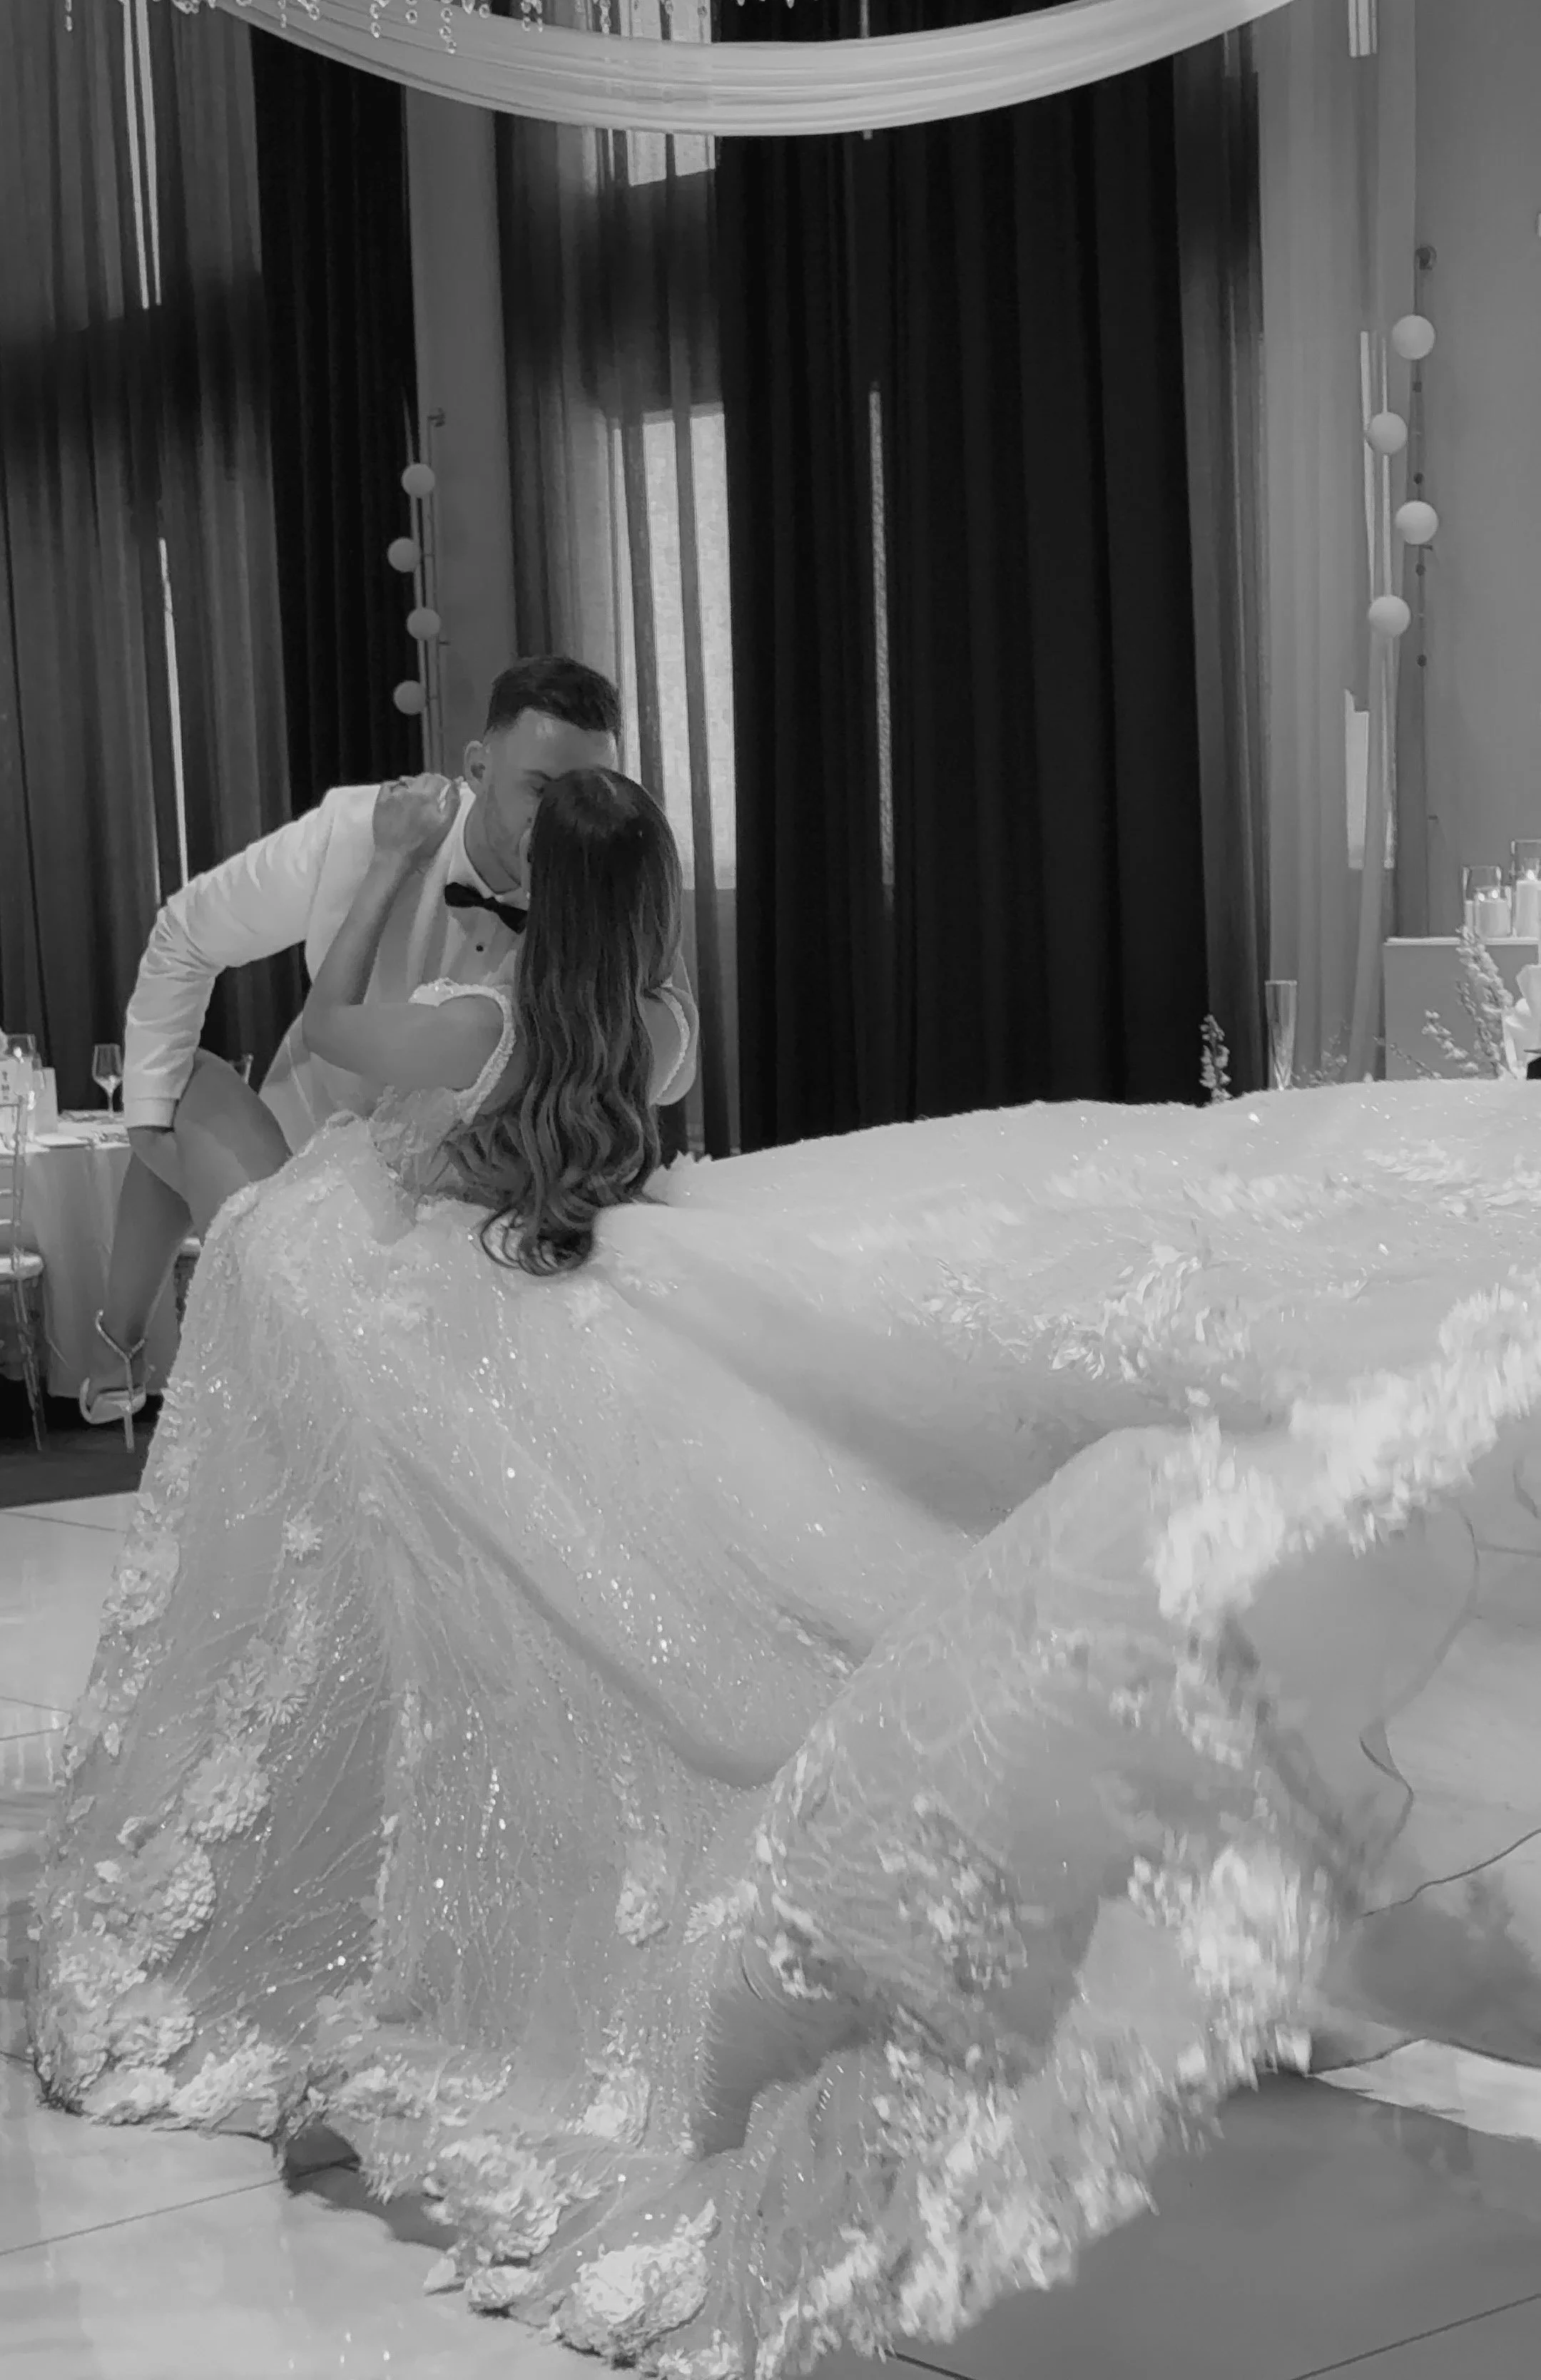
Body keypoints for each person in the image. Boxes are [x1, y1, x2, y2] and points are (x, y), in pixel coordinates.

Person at [29, 874, 1541, 2380]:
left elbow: (310, 1057)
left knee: (323, 1327)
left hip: (462, 1292)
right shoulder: (656, 1028)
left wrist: (388, 923)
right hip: (545, 1269)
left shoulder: (471, 1019)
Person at [81, 655, 696, 1428]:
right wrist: (145, 1113)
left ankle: (132, 1346)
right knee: (176, 1087)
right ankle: (121, 1340)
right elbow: (185, 933)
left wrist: (392, 868)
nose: (563, 818)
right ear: (477, 767)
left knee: (198, 1096)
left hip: (422, 1228)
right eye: (544, 790)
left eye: (590, 797)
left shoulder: (496, 1008)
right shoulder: (355, 832)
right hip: (331, 1158)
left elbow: (329, 1025)